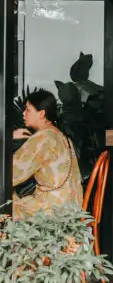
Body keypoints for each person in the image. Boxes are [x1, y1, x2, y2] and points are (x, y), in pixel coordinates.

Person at [12, 89, 83, 220]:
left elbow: (12, 173)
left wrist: (8, 139)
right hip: (71, 208)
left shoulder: (43, 138)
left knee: (8, 203)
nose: (23, 114)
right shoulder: (59, 135)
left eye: (28, 109)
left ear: (41, 114)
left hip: (52, 211)